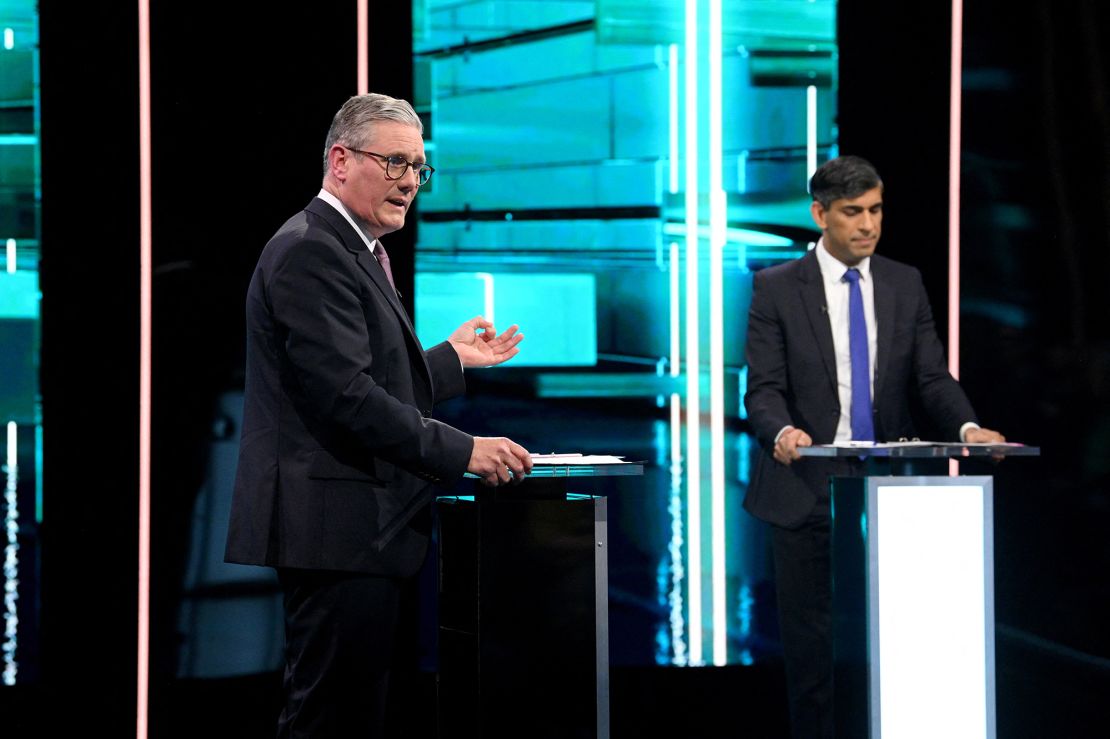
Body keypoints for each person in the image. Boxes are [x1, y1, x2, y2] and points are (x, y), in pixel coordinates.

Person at [224, 92, 533, 738]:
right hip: (335, 532)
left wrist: (449, 359)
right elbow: (349, 398)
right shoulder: (314, 249)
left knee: (350, 717)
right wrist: (464, 451)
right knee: (327, 720)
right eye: (395, 163)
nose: (411, 182)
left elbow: (366, 376)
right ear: (340, 160)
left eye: (419, 167)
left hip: (359, 533)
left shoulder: (352, 246)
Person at [742, 155, 1005, 738]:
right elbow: (762, 389)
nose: (868, 225)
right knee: (813, 658)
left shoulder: (903, 282)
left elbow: (931, 379)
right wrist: (781, 433)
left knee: (897, 649)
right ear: (820, 214)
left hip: (890, 496)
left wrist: (968, 430)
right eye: (852, 212)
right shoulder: (777, 288)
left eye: (876, 210)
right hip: (805, 490)